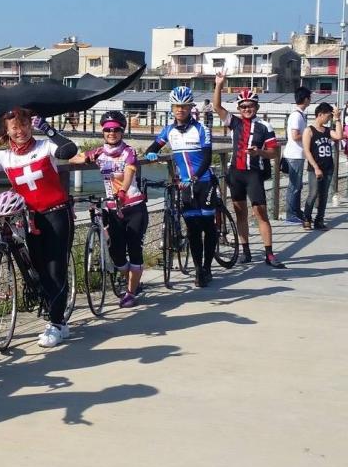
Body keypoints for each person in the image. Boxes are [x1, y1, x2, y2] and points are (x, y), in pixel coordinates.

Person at [0, 108, 78, 347]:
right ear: (7, 131)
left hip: (57, 214)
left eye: (25, 125)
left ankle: (56, 324)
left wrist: (49, 130)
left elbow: (69, 150)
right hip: (31, 219)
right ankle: (59, 321)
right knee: (39, 269)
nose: (20, 131)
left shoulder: (45, 147)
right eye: (14, 128)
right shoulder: (5, 157)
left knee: (55, 269)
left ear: (31, 126)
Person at [143, 85, 219, 287]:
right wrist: (152, 153)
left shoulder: (202, 129)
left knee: (208, 227)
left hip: (204, 183)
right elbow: (153, 147)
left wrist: (195, 177)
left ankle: (208, 267)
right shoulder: (169, 130)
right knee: (193, 229)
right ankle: (199, 270)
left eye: (184, 106)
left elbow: (207, 158)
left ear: (191, 107)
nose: (180, 110)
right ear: (172, 108)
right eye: (177, 106)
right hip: (185, 186)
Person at [71, 110, 148, 307]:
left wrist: (122, 191)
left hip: (133, 206)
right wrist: (76, 155)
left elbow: (129, 173)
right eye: (107, 130)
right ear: (103, 132)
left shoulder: (129, 152)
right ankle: (132, 281)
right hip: (113, 209)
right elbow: (74, 159)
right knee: (117, 253)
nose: (111, 133)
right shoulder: (99, 152)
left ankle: (130, 292)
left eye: (116, 130)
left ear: (122, 131)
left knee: (134, 248)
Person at [212, 74, 284, 268]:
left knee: (260, 213)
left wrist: (258, 152)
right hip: (236, 173)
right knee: (240, 213)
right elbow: (217, 107)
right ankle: (246, 252)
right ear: (239, 109)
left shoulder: (265, 126)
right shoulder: (235, 123)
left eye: (250, 105)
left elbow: (274, 153)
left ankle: (269, 254)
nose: (246, 109)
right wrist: (219, 85)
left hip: (254, 174)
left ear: (256, 107)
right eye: (243, 106)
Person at [302, 103, 344, 229]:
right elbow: (307, 151)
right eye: (328, 116)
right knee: (313, 193)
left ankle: (319, 220)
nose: (329, 118)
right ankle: (307, 218)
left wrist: (337, 119)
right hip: (315, 168)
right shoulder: (309, 130)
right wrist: (316, 167)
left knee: (324, 195)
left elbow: (339, 136)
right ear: (320, 114)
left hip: (328, 167)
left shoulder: (327, 130)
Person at [282, 87, 312, 222]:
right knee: (294, 185)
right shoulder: (296, 115)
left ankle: (296, 211)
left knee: (297, 185)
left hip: (298, 155)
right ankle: (290, 214)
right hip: (294, 155)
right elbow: (295, 136)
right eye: (309, 98)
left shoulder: (300, 114)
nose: (310, 100)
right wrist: (308, 135)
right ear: (305, 99)